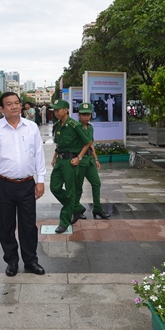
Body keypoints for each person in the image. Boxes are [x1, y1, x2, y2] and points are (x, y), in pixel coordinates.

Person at [0, 92, 46, 277]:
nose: (14, 106)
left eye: (17, 103)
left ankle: (31, 261)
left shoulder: (32, 127)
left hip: (27, 184)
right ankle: (11, 261)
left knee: (28, 225)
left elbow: (39, 155)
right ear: (1, 109)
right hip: (3, 185)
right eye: (9, 104)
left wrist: (40, 180)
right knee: (6, 225)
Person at [49, 99, 92, 233]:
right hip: (60, 161)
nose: (56, 112)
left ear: (66, 110)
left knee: (70, 192)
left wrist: (79, 158)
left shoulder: (74, 125)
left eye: (58, 109)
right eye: (55, 110)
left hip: (70, 162)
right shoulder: (57, 125)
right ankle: (76, 207)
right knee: (54, 187)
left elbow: (87, 142)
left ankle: (64, 221)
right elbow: (59, 144)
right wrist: (55, 156)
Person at [73, 103, 110, 219]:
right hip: (80, 161)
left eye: (88, 114)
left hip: (89, 161)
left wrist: (96, 159)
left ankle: (97, 209)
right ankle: (76, 210)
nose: (86, 117)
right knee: (78, 187)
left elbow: (91, 144)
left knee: (96, 183)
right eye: (83, 114)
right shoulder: (76, 127)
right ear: (79, 115)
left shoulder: (90, 128)